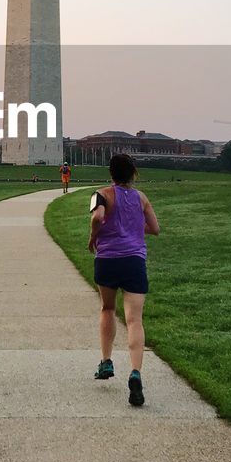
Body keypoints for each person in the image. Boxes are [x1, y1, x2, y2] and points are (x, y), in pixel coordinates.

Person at [87, 153, 160, 406]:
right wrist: (132, 228)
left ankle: (106, 361)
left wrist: (93, 237)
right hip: (134, 261)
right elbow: (155, 229)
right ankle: (136, 372)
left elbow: (97, 217)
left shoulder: (101, 194)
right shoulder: (141, 198)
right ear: (133, 173)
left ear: (111, 173)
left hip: (107, 260)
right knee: (134, 319)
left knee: (107, 308)